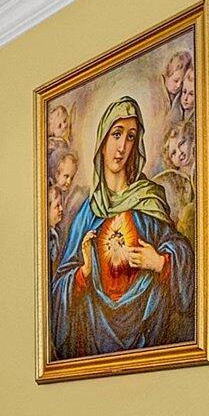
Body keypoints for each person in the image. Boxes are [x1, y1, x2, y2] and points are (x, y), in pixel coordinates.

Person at [49, 94, 195, 358]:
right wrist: (83, 272)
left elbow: (184, 254)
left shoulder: (149, 200)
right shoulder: (86, 214)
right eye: (117, 134)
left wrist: (161, 263)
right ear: (102, 140)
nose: (122, 147)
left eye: (130, 137)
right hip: (93, 344)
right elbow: (57, 290)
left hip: (149, 337)